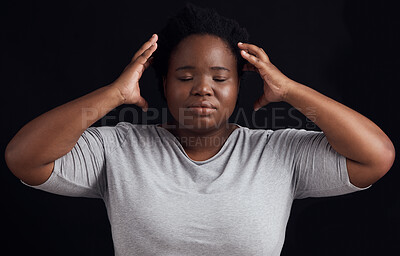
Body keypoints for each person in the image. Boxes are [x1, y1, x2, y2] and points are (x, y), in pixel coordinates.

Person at [5, 3, 395, 256]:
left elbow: (376, 156)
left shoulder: (278, 153)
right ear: (163, 85)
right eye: (185, 75)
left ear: (241, 84)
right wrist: (113, 95)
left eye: (220, 77)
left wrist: (290, 90)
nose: (202, 88)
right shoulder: (120, 148)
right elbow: (24, 158)